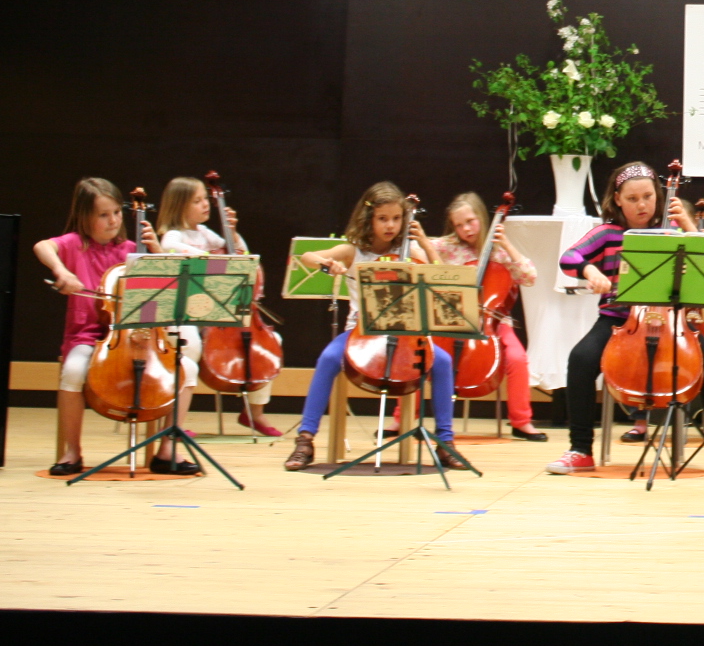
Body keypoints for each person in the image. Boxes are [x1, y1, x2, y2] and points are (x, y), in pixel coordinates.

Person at [544, 161, 704, 478]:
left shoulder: (676, 230)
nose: (641, 205)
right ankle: (580, 449)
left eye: (647, 197)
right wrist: (590, 270)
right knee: (581, 358)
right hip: (619, 320)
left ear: (658, 194)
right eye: (632, 199)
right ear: (617, 199)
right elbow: (569, 257)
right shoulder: (607, 233)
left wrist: (690, 228)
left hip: (675, 321)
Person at [283, 182, 464, 472]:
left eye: (396, 218)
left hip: (405, 332)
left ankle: (446, 441)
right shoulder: (353, 251)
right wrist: (328, 265)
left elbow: (445, 275)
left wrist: (427, 245)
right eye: (383, 219)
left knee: (441, 361)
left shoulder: (410, 249)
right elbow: (307, 257)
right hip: (360, 331)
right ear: (369, 218)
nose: (390, 225)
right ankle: (305, 439)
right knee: (328, 357)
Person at [34, 178, 180, 475]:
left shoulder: (131, 250)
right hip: (86, 336)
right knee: (73, 371)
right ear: (84, 217)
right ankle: (72, 452)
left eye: (116, 212)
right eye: (103, 215)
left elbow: (168, 284)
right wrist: (61, 270)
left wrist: (156, 250)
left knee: (184, 369)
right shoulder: (75, 244)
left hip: (136, 339)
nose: (113, 220)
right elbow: (42, 246)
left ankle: (166, 450)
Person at [155, 175, 280, 437]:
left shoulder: (204, 233)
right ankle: (174, 420)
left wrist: (232, 233)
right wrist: (208, 257)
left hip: (212, 313)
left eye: (205, 199)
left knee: (271, 343)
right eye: (197, 201)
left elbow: (240, 255)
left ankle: (254, 413)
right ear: (179, 206)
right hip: (182, 315)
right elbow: (171, 248)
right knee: (190, 345)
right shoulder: (173, 235)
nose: (205, 205)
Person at [431, 192, 546, 441]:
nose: (465, 229)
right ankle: (402, 418)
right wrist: (422, 243)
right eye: (458, 225)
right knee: (423, 354)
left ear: (482, 218)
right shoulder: (448, 246)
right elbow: (420, 251)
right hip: (454, 320)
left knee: (517, 358)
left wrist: (507, 245)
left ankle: (521, 422)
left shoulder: (499, 250)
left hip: (493, 322)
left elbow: (530, 277)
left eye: (470, 221)